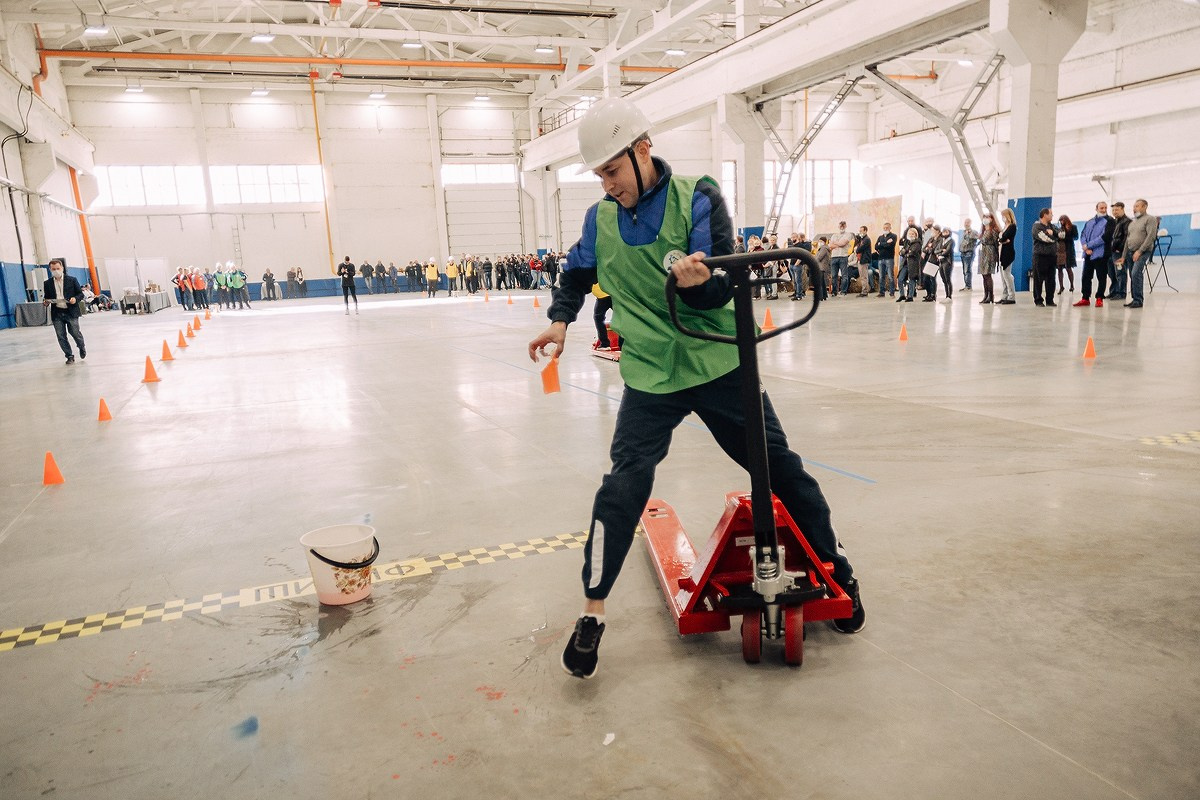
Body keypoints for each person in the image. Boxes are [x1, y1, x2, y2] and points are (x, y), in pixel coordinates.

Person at [526, 97, 865, 680]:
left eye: (613, 170)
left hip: (717, 362)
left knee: (778, 468)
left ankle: (838, 570)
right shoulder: (599, 219)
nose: (608, 185)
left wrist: (697, 285)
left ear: (643, 149)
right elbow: (577, 273)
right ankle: (592, 611)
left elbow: (721, 287)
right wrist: (560, 320)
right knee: (623, 483)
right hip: (651, 374)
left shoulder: (698, 197)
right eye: (600, 175)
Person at [42, 259, 87, 365]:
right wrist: (46, 302)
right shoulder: (47, 283)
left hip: (71, 311)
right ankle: (69, 356)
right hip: (57, 313)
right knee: (61, 336)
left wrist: (75, 299)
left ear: (62, 268)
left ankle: (81, 346)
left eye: (58, 268)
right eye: (53, 269)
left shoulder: (72, 280)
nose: (56, 271)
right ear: (50, 270)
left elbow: (80, 294)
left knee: (75, 333)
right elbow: (47, 297)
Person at [1121, 198, 1157, 309]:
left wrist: (1140, 251)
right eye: (1133, 206)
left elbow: (1151, 236)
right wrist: (1123, 256)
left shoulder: (1150, 219)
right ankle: (1134, 299)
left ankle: (1138, 300)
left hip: (1143, 251)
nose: (1134, 208)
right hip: (1130, 252)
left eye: (1137, 206)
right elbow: (1128, 240)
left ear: (1145, 207)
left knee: (1136, 273)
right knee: (1132, 275)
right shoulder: (1132, 222)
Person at [1075, 202, 1111, 307]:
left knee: (1101, 277)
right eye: (1101, 208)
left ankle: (1099, 298)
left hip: (1100, 254)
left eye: (1105, 208)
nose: (1103, 210)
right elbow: (1083, 234)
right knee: (1086, 276)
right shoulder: (1090, 222)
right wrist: (1085, 247)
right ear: (1096, 209)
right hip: (1088, 254)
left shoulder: (1109, 221)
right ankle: (1085, 298)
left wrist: (1089, 245)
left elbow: (1104, 237)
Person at [1031, 208, 1058, 307]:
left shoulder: (1052, 226)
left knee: (1051, 279)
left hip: (1052, 256)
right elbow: (1045, 238)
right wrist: (1054, 237)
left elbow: (1062, 234)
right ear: (1045, 215)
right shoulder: (1036, 227)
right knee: (1038, 279)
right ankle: (1038, 300)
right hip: (1040, 256)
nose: (1052, 216)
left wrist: (1053, 233)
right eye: (1050, 214)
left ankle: (1050, 300)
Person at [1107, 202, 1130, 301]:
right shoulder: (1114, 222)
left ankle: (1121, 293)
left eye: (1117, 209)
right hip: (1111, 252)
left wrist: (1119, 248)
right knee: (1111, 273)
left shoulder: (1127, 221)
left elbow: (1127, 238)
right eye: (1113, 210)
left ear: (1122, 209)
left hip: (1119, 252)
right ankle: (1113, 292)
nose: (1114, 212)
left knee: (1120, 273)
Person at [996, 208, 1017, 304]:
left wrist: (1002, 239)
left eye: (1003, 216)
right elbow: (1001, 239)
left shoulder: (1012, 226)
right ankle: (1004, 296)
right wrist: (1001, 240)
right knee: (1003, 277)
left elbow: (1005, 238)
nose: (1002, 218)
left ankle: (1011, 296)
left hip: (1008, 254)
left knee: (1007, 275)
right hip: (1001, 253)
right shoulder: (1005, 227)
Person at [978, 213, 1000, 304]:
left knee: (988, 275)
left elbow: (996, 243)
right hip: (982, 254)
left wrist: (997, 256)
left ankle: (991, 296)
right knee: (984, 275)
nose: (985, 219)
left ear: (991, 219)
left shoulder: (993, 230)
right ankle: (985, 295)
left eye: (987, 217)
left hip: (990, 253)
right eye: (984, 217)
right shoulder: (983, 230)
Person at [897, 227, 921, 302]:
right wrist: (906, 252)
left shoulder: (917, 243)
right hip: (905, 263)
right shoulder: (906, 243)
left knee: (912, 279)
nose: (911, 235)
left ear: (915, 235)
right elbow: (901, 252)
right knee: (900, 279)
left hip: (913, 264)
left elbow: (912, 252)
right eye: (910, 234)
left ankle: (910, 296)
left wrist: (906, 252)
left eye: (913, 234)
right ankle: (902, 295)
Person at [1056, 214, 1077, 294]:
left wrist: (1065, 237)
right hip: (1060, 250)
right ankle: (1061, 286)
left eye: (1062, 220)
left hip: (1068, 250)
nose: (1061, 222)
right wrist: (1059, 237)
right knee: (1059, 268)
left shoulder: (1073, 227)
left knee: (1068, 268)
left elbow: (1075, 237)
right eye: (1060, 221)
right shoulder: (1060, 229)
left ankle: (1072, 285)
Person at [829, 222, 851, 297]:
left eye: (843, 225)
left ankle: (843, 291)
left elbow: (843, 244)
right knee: (834, 275)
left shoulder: (848, 234)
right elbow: (830, 245)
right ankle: (834, 291)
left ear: (845, 226)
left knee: (844, 275)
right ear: (838, 226)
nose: (842, 227)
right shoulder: (834, 235)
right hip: (834, 256)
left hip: (843, 256)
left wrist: (835, 243)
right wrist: (839, 244)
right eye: (840, 225)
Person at [875, 223, 897, 297]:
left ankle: (892, 292)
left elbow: (890, 246)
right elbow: (876, 247)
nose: (885, 229)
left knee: (890, 276)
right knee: (881, 276)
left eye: (887, 227)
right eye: (884, 228)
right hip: (880, 258)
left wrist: (881, 244)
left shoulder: (893, 236)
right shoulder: (880, 237)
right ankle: (881, 292)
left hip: (889, 258)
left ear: (890, 228)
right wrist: (886, 243)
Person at [936, 225, 955, 300]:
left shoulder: (951, 241)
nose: (945, 233)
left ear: (949, 233)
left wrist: (940, 253)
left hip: (947, 261)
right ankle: (946, 295)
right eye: (943, 232)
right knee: (943, 279)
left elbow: (947, 251)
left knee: (947, 279)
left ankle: (949, 296)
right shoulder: (941, 240)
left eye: (946, 232)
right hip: (941, 261)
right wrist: (941, 250)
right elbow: (935, 250)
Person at [959, 219, 978, 291]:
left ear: (970, 223)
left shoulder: (973, 232)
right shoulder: (964, 232)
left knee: (967, 270)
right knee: (964, 270)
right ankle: (966, 285)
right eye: (965, 222)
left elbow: (978, 239)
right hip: (962, 252)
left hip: (969, 253)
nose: (966, 224)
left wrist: (974, 246)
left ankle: (968, 286)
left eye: (967, 223)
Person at [814, 236, 831, 301]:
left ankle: (820, 296)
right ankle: (824, 295)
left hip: (821, 266)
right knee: (822, 282)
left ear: (824, 241)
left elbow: (819, 257)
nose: (819, 242)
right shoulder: (823, 248)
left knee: (820, 282)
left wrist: (813, 260)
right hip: (822, 266)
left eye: (820, 241)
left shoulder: (823, 248)